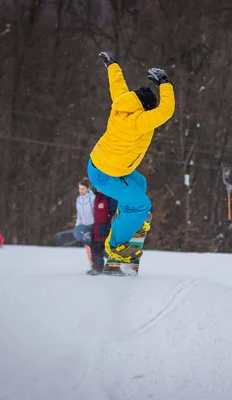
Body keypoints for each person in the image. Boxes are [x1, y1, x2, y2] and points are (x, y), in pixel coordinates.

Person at [87, 51, 175, 264]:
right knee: (141, 205)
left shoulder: (122, 104)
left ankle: (128, 217)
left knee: (140, 182)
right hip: (107, 175)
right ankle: (116, 246)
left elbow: (117, 85)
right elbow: (166, 111)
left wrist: (112, 65)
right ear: (144, 109)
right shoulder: (137, 122)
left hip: (102, 165)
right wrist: (164, 83)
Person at [87, 190, 118, 275]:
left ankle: (115, 268)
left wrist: (109, 228)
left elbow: (114, 214)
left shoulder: (110, 198)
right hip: (96, 229)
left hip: (106, 229)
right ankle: (97, 268)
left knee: (107, 250)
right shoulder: (96, 197)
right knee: (95, 249)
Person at [73, 177, 95, 265]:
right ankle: (93, 266)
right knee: (88, 247)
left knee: (95, 247)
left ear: (87, 188)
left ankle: (100, 264)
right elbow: (79, 214)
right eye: (79, 188)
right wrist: (77, 226)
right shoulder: (78, 199)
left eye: (83, 189)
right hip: (84, 226)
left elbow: (95, 212)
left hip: (93, 225)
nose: (81, 191)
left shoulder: (93, 198)